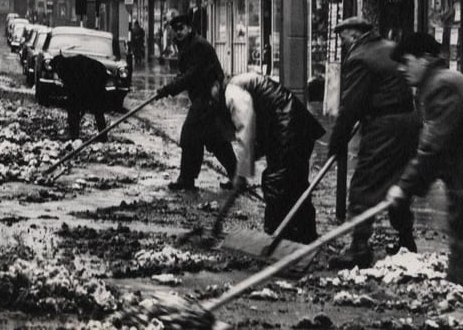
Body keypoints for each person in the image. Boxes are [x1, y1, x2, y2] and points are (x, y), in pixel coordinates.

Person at [327, 16, 420, 270]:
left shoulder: (360, 58)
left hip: (384, 127)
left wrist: (336, 141)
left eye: (343, 36)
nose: (342, 41)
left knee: (364, 184)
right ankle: (406, 241)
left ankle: (358, 249)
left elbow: (350, 107)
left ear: (355, 35)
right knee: (397, 182)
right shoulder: (390, 48)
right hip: (408, 122)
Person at [387, 33, 463, 287]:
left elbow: (433, 146)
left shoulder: (441, 86)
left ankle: (459, 307)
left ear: (424, 59)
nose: (402, 69)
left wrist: (404, 187)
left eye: (406, 61)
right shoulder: (439, 82)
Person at [220, 72, 325, 243]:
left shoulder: (232, 91)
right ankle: (304, 237)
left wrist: (242, 172)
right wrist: (248, 162)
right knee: (294, 184)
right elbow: (257, 129)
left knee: (277, 183)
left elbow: (246, 127)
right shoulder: (242, 85)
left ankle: (275, 239)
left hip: (288, 126)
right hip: (294, 126)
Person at [155, 14, 236, 191]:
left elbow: (192, 75)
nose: (178, 32)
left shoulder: (198, 46)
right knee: (215, 139)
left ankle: (186, 179)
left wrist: (169, 89)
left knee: (189, 135)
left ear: (189, 28)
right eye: (175, 30)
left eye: (181, 28)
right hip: (206, 98)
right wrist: (168, 88)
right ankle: (237, 177)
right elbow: (185, 74)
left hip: (208, 98)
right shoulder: (187, 46)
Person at [51, 54, 108, 142]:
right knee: (97, 111)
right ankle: (103, 136)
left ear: (57, 66)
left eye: (56, 72)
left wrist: (81, 104)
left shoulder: (66, 68)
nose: (58, 76)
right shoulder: (70, 64)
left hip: (94, 83)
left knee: (73, 108)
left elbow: (75, 91)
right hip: (95, 80)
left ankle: (74, 135)